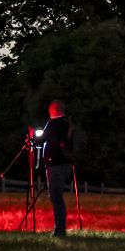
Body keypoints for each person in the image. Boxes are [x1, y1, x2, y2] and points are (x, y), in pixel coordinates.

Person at [39, 98, 75, 237]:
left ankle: (59, 230)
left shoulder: (53, 123)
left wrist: (32, 137)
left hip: (55, 164)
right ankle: (59, 228)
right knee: (57, 196)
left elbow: (41, 139)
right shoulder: (68, 124)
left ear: (53, 110)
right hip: (66, 164)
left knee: (56, 196)